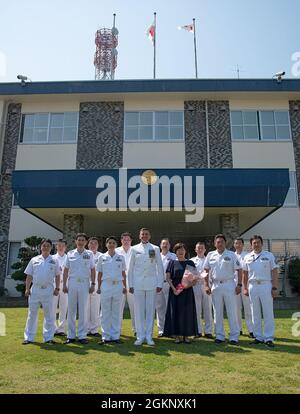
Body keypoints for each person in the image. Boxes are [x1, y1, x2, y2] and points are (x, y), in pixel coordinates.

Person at [128, 228, 164, 346]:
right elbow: (130, 268)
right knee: (138, 311)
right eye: (142, 234)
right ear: (139, 236)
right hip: (138, 284)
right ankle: (140, 336)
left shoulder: (155, 248)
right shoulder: (134, 249)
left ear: (150, 236)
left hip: (151, 283)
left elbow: (159, 267)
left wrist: (159, 283)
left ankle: (148, 336)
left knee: (150, 311)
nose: (144, 236)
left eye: (146, 234)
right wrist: (131, 284)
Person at [203, 234, 242, 345]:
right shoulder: (210, 255)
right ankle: (219, 335)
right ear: (215, 244)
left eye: (222, 242)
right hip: (215, 286)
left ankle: (234, 336)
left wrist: (239, 285)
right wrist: (206, 285)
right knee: (217, 312)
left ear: (225, 243)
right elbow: (205, 270)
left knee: (232, 311)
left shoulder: (231, 255)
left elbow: (239, 270)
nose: (220, 244)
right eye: (218, 242)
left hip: (229, 284)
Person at [243, 235, 279, 347]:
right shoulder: (247, 257)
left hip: (266, 285)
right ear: (251, 244)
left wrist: (274, 287)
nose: (256, 244)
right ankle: (258, 336)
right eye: (254, 243)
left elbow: (274, 271)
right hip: (253, 286)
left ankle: (268, 337)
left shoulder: (269, 255)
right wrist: (245, 287)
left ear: (262, 244)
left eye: (258, 242)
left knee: (268, 312)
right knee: (255, 312)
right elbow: (245, 274)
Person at [23, 239, 60, 345]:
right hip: (35, 290)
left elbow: (57, 275)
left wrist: (57, 288)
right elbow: (29, 275)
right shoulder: (34, 260)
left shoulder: (54, 260)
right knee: (32, 314)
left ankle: (48, 338)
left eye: (48, 246)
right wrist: (27, 288)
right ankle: (29, 338)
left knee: (49, 315)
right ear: (41, 247)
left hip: (48, 290)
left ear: (51, 248)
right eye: (44, 246)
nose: (46, 247)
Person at [63, 233, 96, 345]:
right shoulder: (70, 254)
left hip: (84, 283)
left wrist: (93, 284)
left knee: (83, 310)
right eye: (79, 240)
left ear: (86, 242)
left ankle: (82, 335)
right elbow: (66, 270)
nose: (81, 242)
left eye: (83, 240)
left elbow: (92, 269)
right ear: (76, 241)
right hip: (72, 283)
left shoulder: (90, 254)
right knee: (71, 310)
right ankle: (71, 336)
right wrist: (64, 285)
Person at [163, 243, 198, 343]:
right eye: (178, 250)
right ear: (175, 252)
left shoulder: (190, 263)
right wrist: (174, 289)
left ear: (185, 251)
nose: (180, 252)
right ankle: (177, 335)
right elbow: (168, 278)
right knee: (176, 312)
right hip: (175, 292)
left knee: (187, 313)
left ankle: (186, 335)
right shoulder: (172, 263)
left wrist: (186, 286)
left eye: (182, 249)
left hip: (187, 292)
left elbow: (194, 280)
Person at [97, 236, 127, 344]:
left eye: (113, 243)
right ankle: (105, 336)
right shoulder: (102, 257)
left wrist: (124, 286)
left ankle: (115, 336)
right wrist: (99, 287)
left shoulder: (121, 257)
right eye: (109, 243)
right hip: (106, 285)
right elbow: (99, 273)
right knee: (105, 312)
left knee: (116, 312)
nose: (111, 244)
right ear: (106, 244)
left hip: (118, 285)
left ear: (116, 244)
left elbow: (123, 273)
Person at [191, 241, 214, 339]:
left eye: (202, 248)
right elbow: (189, 274)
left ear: (205, 249)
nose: (200, 249)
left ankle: (208, 331)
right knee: (196, 309)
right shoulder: (191, 261)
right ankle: (198, 331)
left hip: (206, 286)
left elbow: (211, 273)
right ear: (195, 250)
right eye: (198, 248)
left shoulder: (209, 260)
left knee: (208, 309)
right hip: (195, 286)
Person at [156, 238, 177, 337]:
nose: (165, 245)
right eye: (163, 244)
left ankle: (171, 329)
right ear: (160, 245)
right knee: (160, 307)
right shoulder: (156, 256)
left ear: (169, 246)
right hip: (158, 284)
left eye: (167, 244)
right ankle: (161, 330)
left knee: (170, 307)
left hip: (170, 284)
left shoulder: (173, 256)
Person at [116, 232, 136, 335]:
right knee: (118, 307)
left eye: (128, 239)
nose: (126, 241)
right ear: (121, 240)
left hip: (133, 282)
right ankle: (117, 330)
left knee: (134, 307)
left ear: (131, 241)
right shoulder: (116, 251)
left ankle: (136, 330)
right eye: (124, 239)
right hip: (119, 282)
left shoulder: (135, 250)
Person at [233, 237, 254, 338]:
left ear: (242, 244)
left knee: (248, 308)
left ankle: (251, 330)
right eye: (236, 243)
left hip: (245, 284)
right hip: (235, 285)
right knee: (237, 308)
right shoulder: (231, 256)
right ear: (234, 245)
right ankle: (238, 329)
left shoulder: (247, 255)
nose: (238, 245)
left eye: (240, 243)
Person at [51, 239, 68, 337]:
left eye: (62, 245)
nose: (61, 247)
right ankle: (53, 328)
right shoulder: (52, 258)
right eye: (59, 245)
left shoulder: (69, 258)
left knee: (63, 307)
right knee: (52, 307)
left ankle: (61, 329)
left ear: (65, 247)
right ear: (56, 246)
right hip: (54, 285)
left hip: (65, 285)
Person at [86, 237, 103, 337]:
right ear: (88, 245)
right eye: (91, 243)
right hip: (85, 284)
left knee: (95, 308)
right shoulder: (85, 254)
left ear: (98, 245)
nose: (93, 245)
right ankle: (86, 329)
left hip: (97, 284)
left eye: (95, 243)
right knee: (86, 308)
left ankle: (94, 329)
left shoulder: (101, 256)